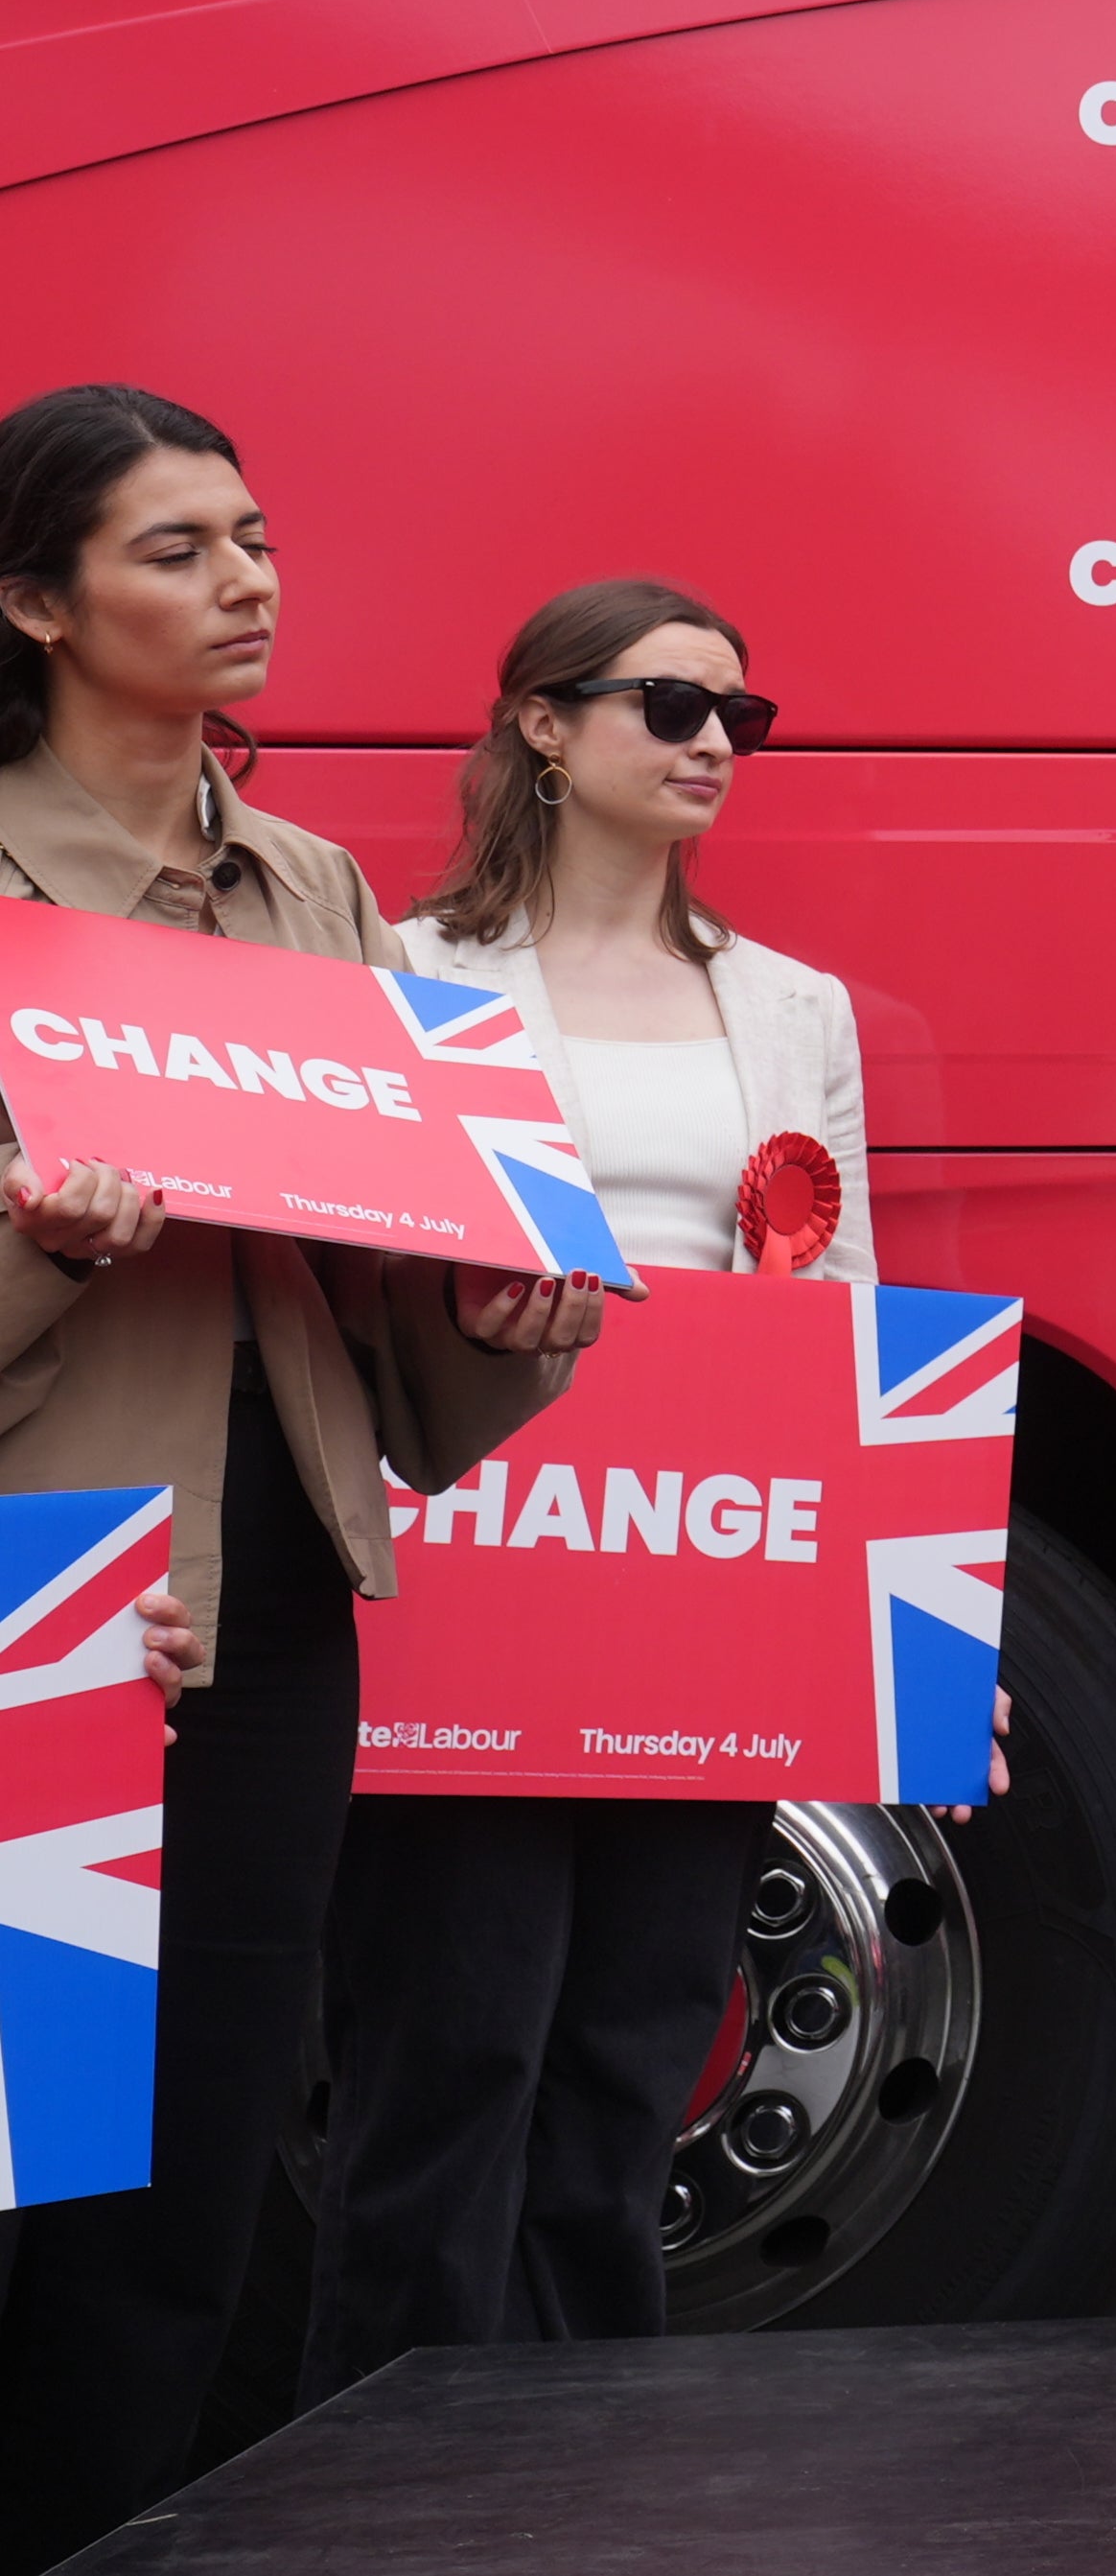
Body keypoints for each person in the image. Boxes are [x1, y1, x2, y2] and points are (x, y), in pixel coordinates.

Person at [0, 387, 593, 2576]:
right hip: (37, 1613)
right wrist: (40, 1238)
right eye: (176, 549)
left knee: (195, 2191)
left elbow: (386, 1329)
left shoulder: (315, 882)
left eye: (252, 535)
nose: (246, 579)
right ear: (34, 600)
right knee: (23, 2179)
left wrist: (501, 1318)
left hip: (267, 1614)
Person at [301, 582, 872, 2401]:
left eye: (739, 714)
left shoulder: (794, 1006)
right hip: (470, 1565)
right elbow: (344, 1271)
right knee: (446, 2048)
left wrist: (889, 1621)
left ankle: (590, 2464)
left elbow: (838, 1318)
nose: (714, 740)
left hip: (694, 1588)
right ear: (541, 724)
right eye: (667, 703)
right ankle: (386, 2479)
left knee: (635, 2052)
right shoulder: (402, 971)